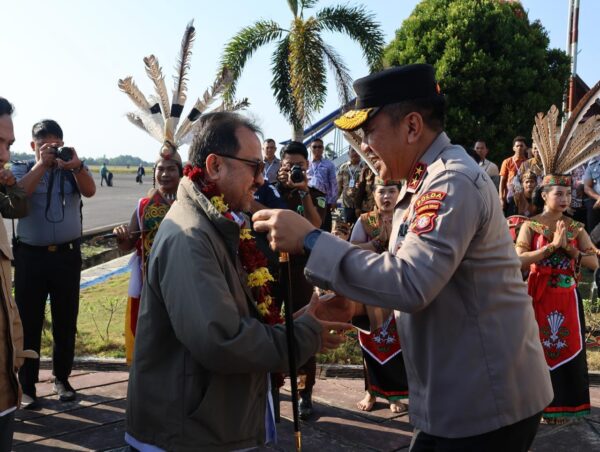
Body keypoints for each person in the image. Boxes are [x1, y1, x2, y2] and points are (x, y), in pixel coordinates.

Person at [254, 64, 553, 451]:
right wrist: (357, 309)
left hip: (484, 402)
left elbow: (412, 282)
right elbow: (426, 283)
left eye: (369, 131)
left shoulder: (450, 182)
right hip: (463, 393)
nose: (362, 144)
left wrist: (311, 240)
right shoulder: (421, 184)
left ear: (412, 127)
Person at [126, 112, 349, 450]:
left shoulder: (217, 222)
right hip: (189, 434)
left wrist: (296, 323)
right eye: (255, 167)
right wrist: (305, 334)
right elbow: (222, 341)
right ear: (215, 166)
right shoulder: (190, 236)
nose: (263, 179)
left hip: (211, 425)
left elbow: (234, 317)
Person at [515, 98, 600, 425]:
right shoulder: (530, 224)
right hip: (538, 296)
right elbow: (518, 260)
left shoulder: (576, 227)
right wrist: (551, 247)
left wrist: (573, 251)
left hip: (566, 297)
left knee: (567, 352)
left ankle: (561, 408)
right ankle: (534, 408)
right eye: (558, 194)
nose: (564, 198)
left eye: (567, 194)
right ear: (544, 194)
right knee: (534, 352)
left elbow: (594, 264)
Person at [12, 119, 96, 408]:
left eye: (56, 146)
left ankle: (62, 378)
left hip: (66, 256)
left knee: (65, 319)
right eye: (45, 146)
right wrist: (41, 165)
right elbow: (16, 196)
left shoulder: (71, 168)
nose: (52, 151)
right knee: (28, 321)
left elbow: (90, 191)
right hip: (30, 258)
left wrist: (75, 165)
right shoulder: (21, 169)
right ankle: (28, 386)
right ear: (32, 146)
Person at [273, 141, 327, 419]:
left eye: (299, 166)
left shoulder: (315, 194)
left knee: (304, 329)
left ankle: (304, 394)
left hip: (302, 271)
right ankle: (270, 390)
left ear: (307, 167)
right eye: (288, 165)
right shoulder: (270, 192)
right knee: (267, 327)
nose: (293, 170)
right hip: (270, 270)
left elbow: (316, 225)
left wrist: (303, 190)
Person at [113, 156, 182, 364]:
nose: (165, 174)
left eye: (171, 169)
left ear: (182, 173)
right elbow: (128, 245)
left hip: (183, 279)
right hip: (150, 283)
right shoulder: (143, 205)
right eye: (160, 169)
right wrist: (121, 236)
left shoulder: (190, 203)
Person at [349, 177, 408, 413]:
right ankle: (370, 392)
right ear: (374, 196)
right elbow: (351, 249)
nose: (386, 197)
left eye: (391, 192)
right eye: (381, 192)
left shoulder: (406, 217)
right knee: (371, 341)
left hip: (400, 286)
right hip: (372, 288)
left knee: (399, 340)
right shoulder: (365, 221)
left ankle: (395, 396)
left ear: (399, 194)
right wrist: (374, 245)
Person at [0, 97, 35, 450]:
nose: (5, 155)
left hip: (5, 388)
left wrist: (10, 184)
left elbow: (19, 208)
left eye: (8, 144)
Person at [307, 137, 337, 230]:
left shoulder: (329, 164)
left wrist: (333, 200)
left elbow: (333, 183)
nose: (317, 149)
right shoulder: (306, 163)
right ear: (310, 148)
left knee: (325, 225)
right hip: (308, 198)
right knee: (308, 224)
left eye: (319, 147)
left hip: (323, 199)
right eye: (314, 147)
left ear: (323, 149)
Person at [499, 136, 528, 213]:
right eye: (517, 146)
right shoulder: (507, 162)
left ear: (525, 147)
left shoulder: (529, 163)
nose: (519, 148)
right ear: (513, 148)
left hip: (525, 198)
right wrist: (501, 198)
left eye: (521, 146)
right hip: (510, 197)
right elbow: (502, 181)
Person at [337, 148, 364, 224]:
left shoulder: (365, 166)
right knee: (348, 228)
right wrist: (334, 200)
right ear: (348, 153)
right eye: (353, 150)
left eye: (357, 150)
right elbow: (339, 186)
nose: (355, 153)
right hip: (347, 204)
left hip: (362, 205)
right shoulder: (343, 167)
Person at [583, 157, 600, 232]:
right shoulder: (592, 166)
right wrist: (598, 198)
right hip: (596, 199)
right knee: (592, 207)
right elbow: (587, 187)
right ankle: (592, 241)